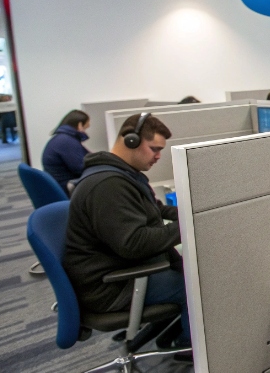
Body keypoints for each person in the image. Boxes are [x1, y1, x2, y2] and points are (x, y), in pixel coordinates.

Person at [64, 113, 191, 349]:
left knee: (191, 268)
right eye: (154, 148)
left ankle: (171, 333)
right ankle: (192, 349)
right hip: (111, 286)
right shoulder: (108, 185)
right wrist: (191, 225)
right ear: (130, 141)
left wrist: (197, 212)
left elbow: (156, 209)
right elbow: (134, 243)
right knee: (201, 284)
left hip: (119, 269)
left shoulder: (122, 174)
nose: (158, 156)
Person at [42, 110, 91, 193]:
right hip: (66, 186)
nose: (85, 132)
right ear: (80, 125)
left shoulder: (62, 138)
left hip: (59, 184)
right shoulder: (67, 141)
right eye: (85, 128)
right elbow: (80, 168)